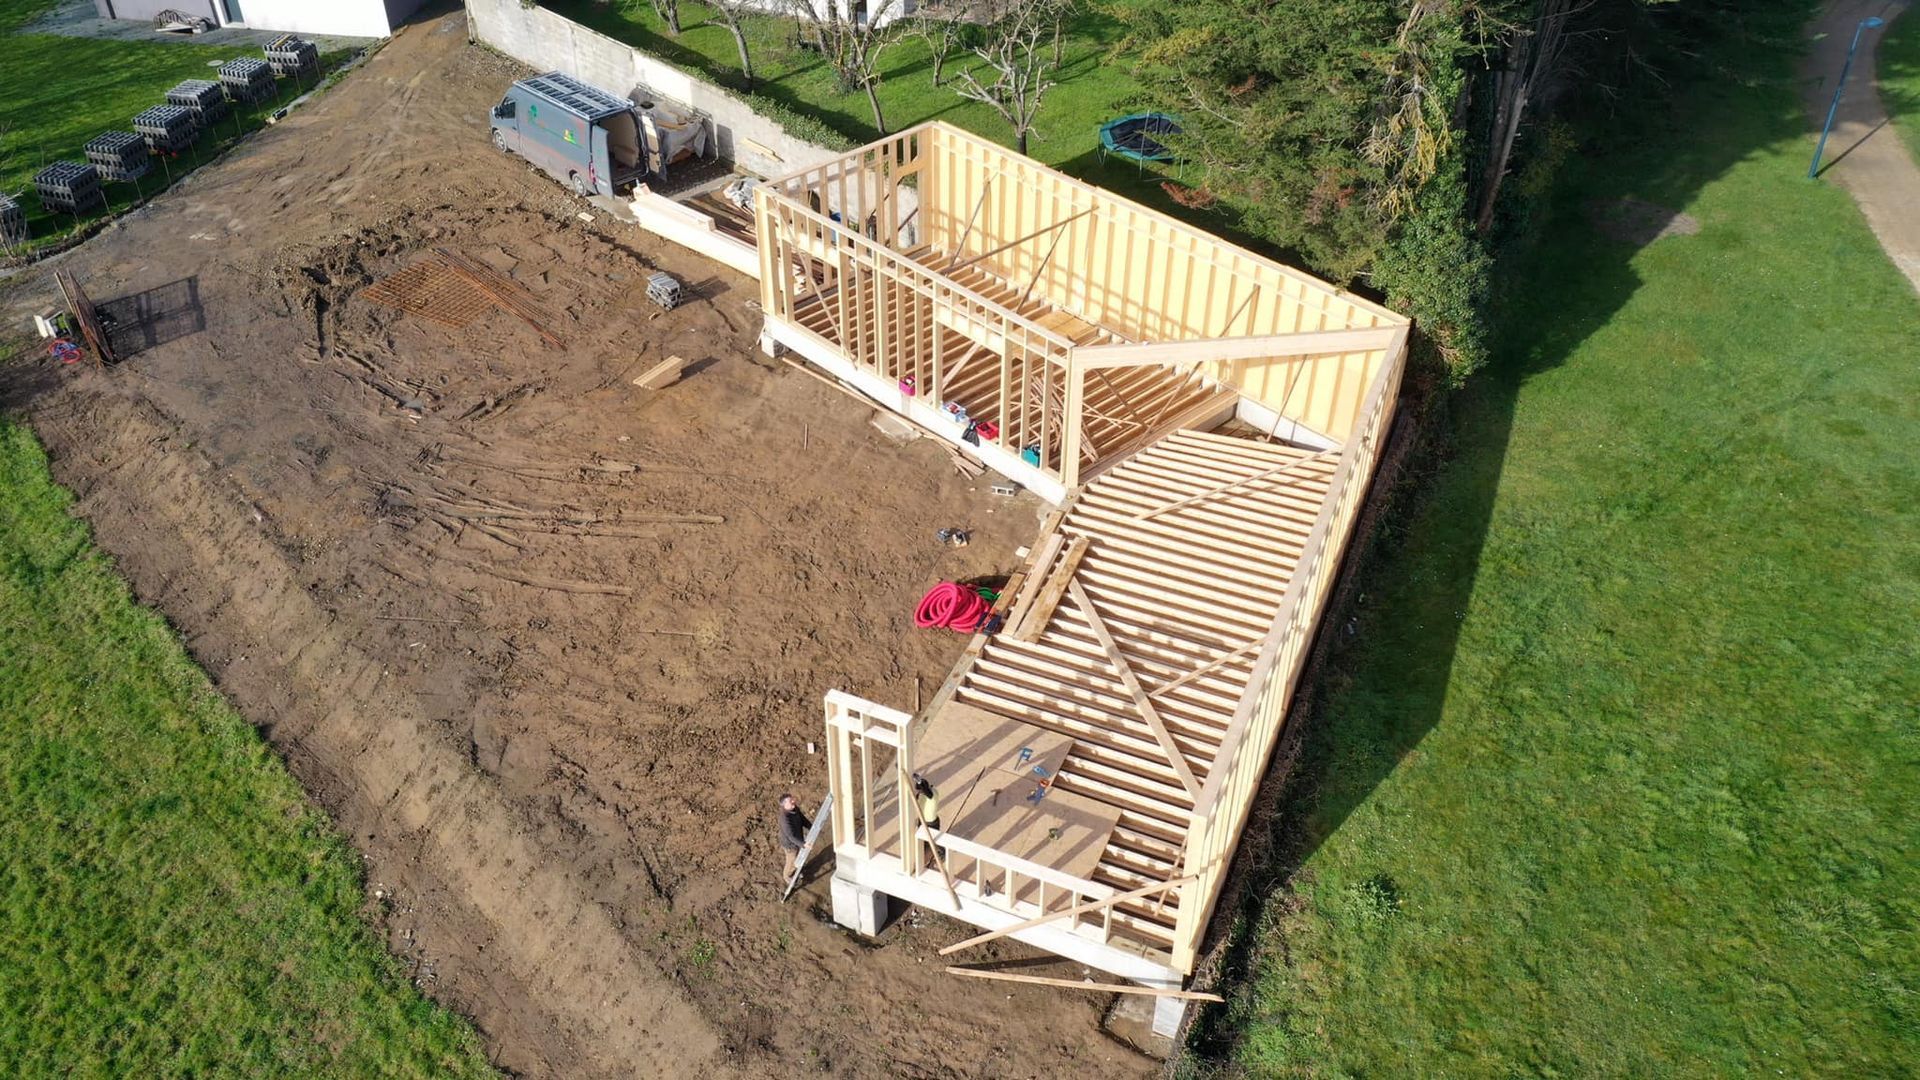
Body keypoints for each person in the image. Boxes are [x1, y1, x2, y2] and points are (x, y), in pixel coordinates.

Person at [777, 793, 811, 882]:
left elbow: (803, 819)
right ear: (784, 805)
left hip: (798, 839)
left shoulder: (795, 809)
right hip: (790, 845)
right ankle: (787, 876)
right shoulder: (784, 818)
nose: (793, 801)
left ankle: (796, 870)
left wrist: (811, 827)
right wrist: (803, 844)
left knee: (798, 856)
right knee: (791, 861)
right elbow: (790, 836)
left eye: (792, 799)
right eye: (790, 801)